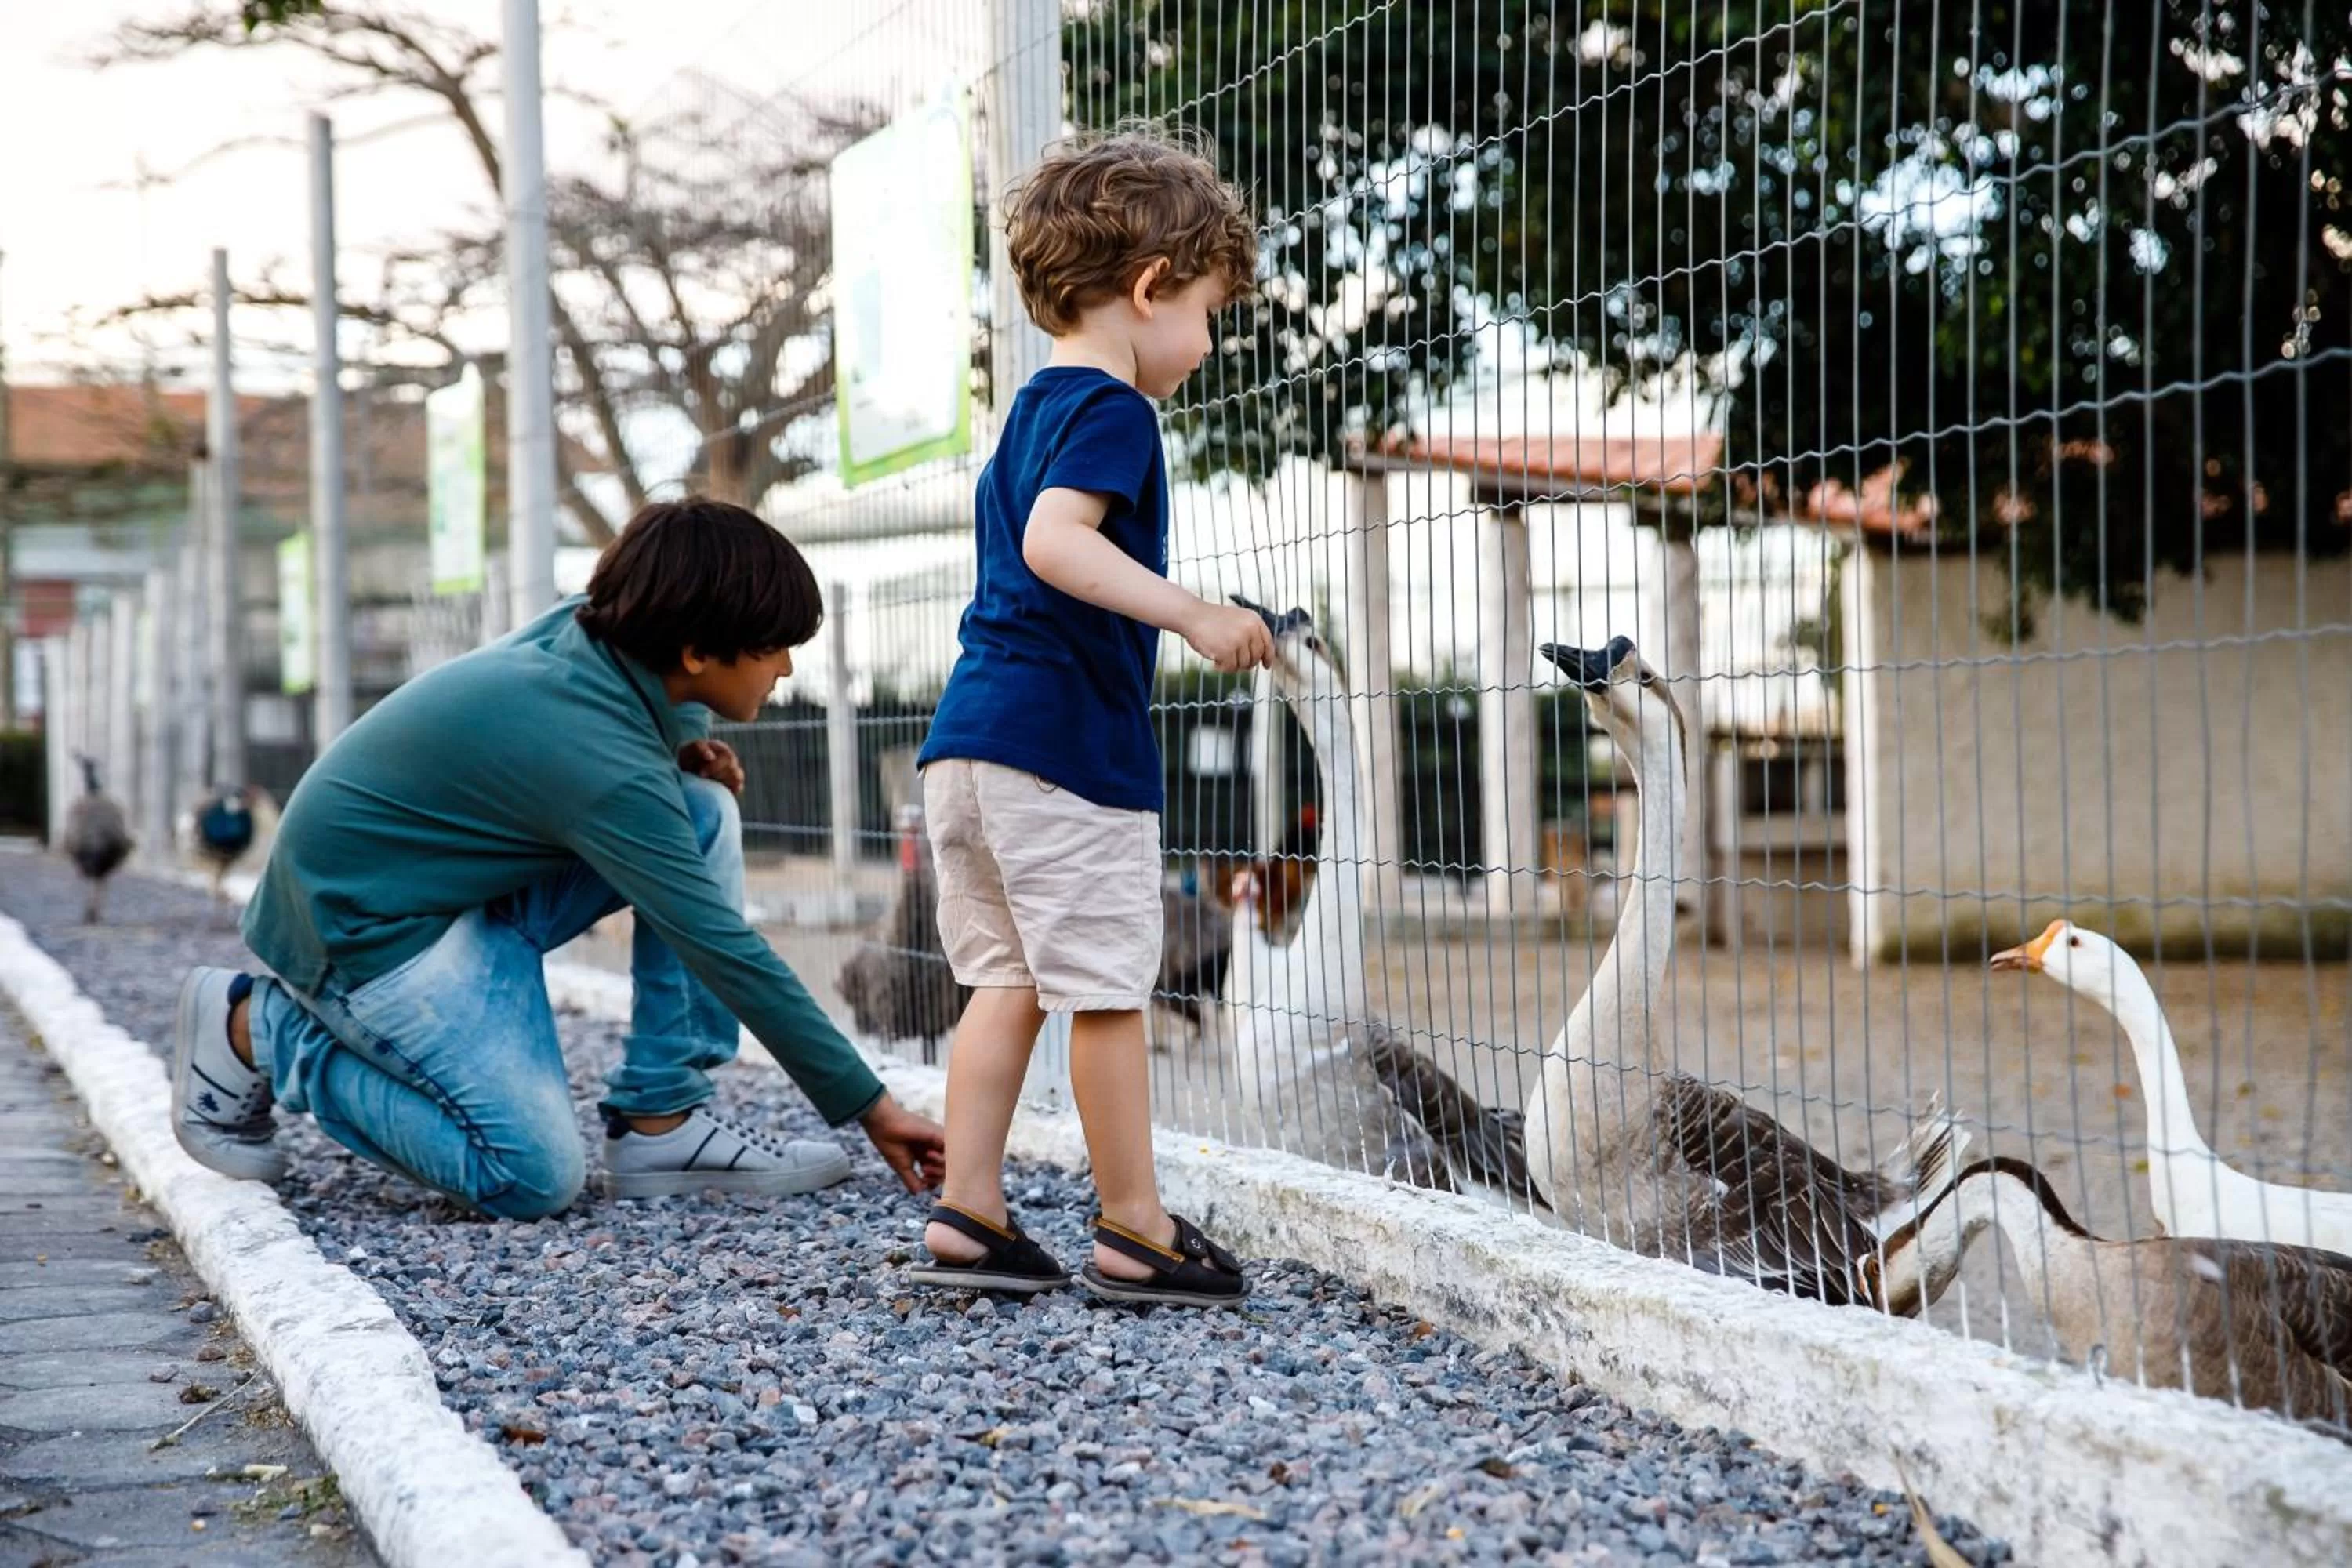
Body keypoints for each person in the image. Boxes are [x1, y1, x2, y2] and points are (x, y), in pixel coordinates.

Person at [169, 498, 947, 1218]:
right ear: (695, 649)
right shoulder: (599, 758)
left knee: (700, 808)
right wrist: (870, 1106)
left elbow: (611, 739)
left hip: (450, 894)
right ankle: (260, 1029)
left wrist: (682, 749)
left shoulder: (593, 639)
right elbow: (722, 946)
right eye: (773, 646)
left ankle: (660, 1118)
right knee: (531, 1174)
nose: (785, 668)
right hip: (362, 933)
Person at [907, 129, 1270, 1306]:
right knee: (1112, 988)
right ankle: (1136, 1225)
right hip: (1063, 753)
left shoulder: (1029, 412)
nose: (1208, 345)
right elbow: (1055, 545)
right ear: (1153, 288)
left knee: (1005, 978)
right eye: (1209, 311)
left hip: (969, 745)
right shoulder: (1115, 413)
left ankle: (970, 1211)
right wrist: (1193, 615)